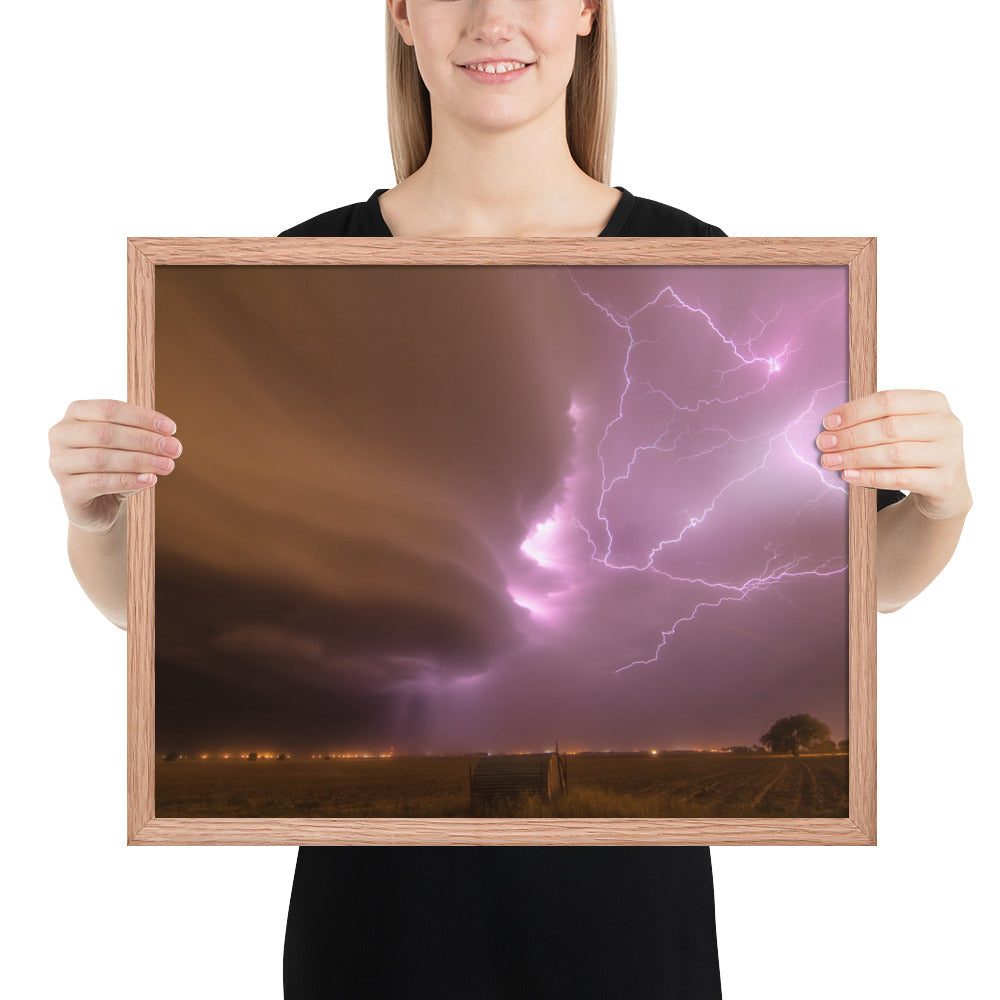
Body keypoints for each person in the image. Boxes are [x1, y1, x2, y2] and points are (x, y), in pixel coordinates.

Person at [47, 1, 973, 997]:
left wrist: (940, 504)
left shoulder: (696, 254)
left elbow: (863, 588)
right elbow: (142, 610)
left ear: (586, 13)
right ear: (403, 15)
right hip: (374, 933)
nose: (495, 18)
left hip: (628, 937)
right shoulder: (300, 263)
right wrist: (94, 517)